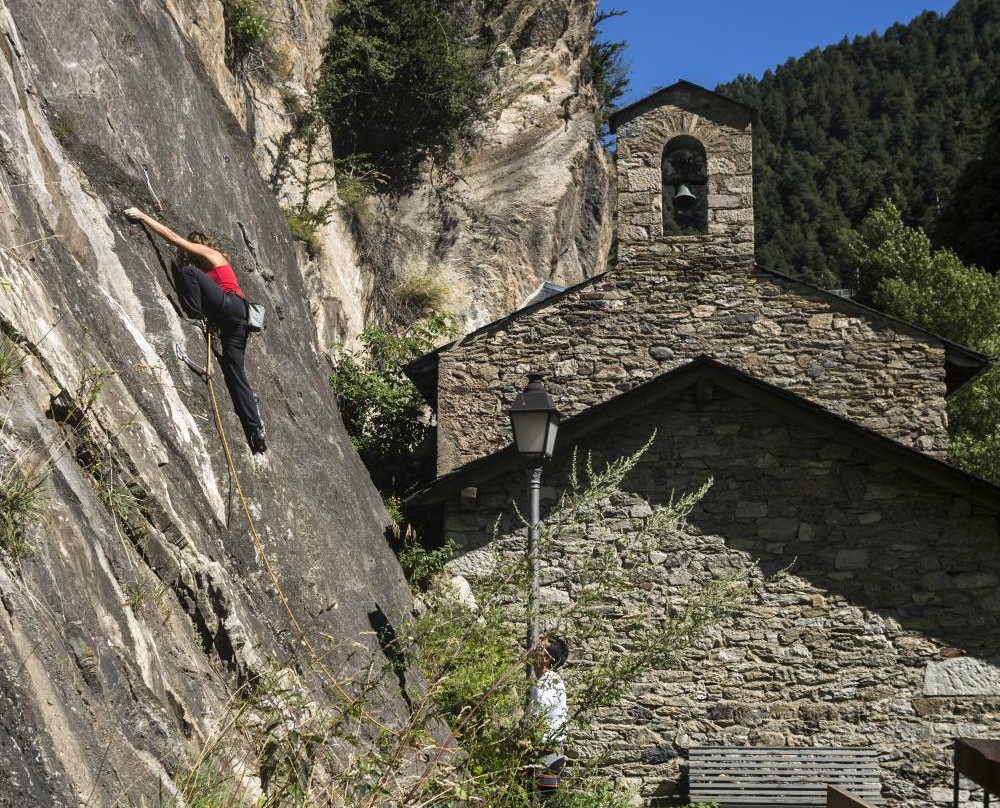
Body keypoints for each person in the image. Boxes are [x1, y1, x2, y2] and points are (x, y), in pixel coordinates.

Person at [124, 207, 267, 455]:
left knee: (188, 273)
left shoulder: (212, 254)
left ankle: (194, 315)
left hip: (231, 307)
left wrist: (143, 216)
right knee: (235, 373)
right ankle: (254, 429)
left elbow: (172, 237)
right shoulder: (212, 270)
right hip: (237, 322)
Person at [529, 636, 569, 795]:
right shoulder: (548, 680)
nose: (533, 648)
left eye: (539, 646)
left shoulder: (546, 685)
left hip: (546, 757)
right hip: (548, 754)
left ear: (546, 658)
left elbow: (541, 721)